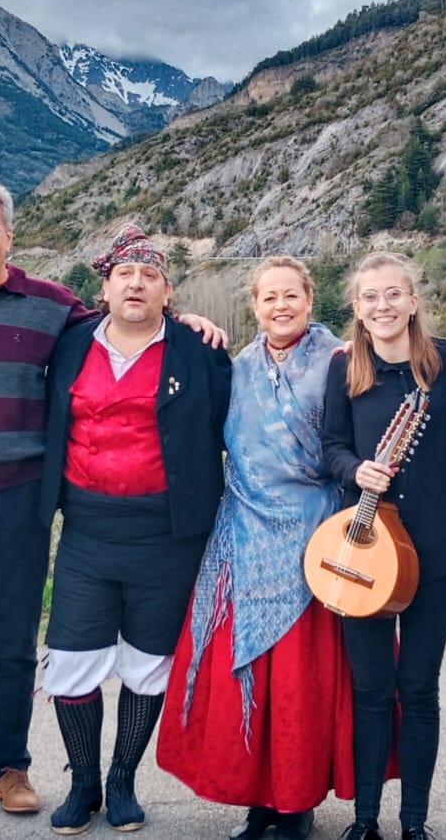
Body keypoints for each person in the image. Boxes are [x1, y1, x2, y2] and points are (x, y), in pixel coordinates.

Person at [0, 179, 228, 820]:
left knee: (14, 642)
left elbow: (128, 319)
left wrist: (184, 321)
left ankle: (12, 769)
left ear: (10, 236)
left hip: (21, 495)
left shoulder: (51, 307)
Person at [37, 225, 231, 834]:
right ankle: (83, 782)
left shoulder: (200, 351)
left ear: (168, 290)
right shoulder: (68, 345)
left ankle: (122, 780)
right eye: (126, 275)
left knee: (148, 663)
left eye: (150, 276)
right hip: (88, 529)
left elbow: (243, 417)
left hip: (167, 532)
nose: (137, 284)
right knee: (73, 660)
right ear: (106, 286)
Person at [156, 256, 354, 840]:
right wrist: (184, 320)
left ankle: (295, 802)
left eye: (291, 295)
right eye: (269, 298)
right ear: (254, 306)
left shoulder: (338, 361)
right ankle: (257, 800)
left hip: (312, 535)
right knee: (249, 673)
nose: (280, 306)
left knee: (297, 681)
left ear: (309, 299)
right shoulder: (238, 366)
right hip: (242, 533)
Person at [320, 252, 446, 840]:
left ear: (414, 301)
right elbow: (330, 446)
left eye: (393, 294)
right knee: (369, 689)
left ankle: (415, 823)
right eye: (370, 298)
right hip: (362, 553)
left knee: (417, 689)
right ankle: (365, 820)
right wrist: (353, 471)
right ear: (357, 310)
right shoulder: (346, 369)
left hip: (435, 553)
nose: (382, 306)